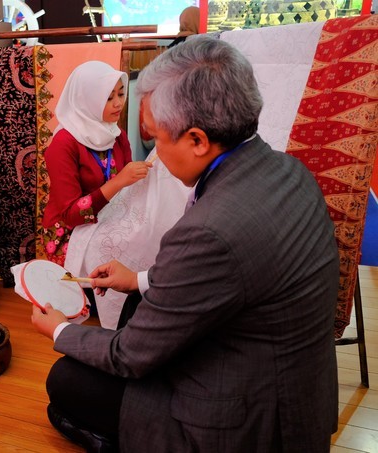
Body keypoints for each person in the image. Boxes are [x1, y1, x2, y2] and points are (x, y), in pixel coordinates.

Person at [31, 36, 339, 452]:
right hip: (289, 386)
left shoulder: (211, 230)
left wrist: (61, 329)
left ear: (196, 140)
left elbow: (129, 355)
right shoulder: (288, 170)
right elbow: (229, 276)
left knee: (64, 381)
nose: (154, 149)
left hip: (243, 417)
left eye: (157, 138)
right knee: (136, 299)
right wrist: (138, 279)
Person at [42, 61, 152, 267]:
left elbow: (128, 191)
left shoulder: (115, 134)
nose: (119, 103)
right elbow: (71, 216)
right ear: (86, 101)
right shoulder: (64, 144)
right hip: (68, 235)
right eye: (108, 97)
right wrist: (119, 182)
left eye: (121, 94)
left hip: (107, 223)